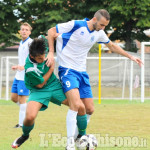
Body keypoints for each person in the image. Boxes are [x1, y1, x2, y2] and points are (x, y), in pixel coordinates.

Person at [47, 9, 143, 146]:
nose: (103, 28)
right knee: (75, 105)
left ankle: (78, 138)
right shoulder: (76, 24)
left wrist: (130, 56)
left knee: (90, 109)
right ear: (94, 19)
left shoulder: (99, 33)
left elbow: (112, 45)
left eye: (105, 26)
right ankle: (69, 145)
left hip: (82, 73)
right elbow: (51, 31)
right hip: (67, 70)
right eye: (102, 25)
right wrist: (51, 52)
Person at [11, 38, 86, 150]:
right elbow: (40, 84)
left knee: (80, 107)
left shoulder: (43, 50)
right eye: (40, 58)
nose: (43, 59)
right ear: (32, 56)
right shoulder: (29, 68)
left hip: (54, 86)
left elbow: (51, 36)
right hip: (39, 90)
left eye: (44, 56)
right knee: (30, 116)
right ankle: (24, 136)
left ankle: (81, 136)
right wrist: (51, 68)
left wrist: (51, 53)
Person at [11, 22, 33, 128]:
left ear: (29, 32)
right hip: (18, 76)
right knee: (13, 98)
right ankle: (27, 110)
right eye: (22, 29)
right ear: (20, 31)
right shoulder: (21, 42)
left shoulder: (31, 43)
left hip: (25, 76)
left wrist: (23, 67)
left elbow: (34, 60)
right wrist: (18, 67)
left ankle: (21, 124)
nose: (24, 31)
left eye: (26, 30)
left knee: (22, 99)